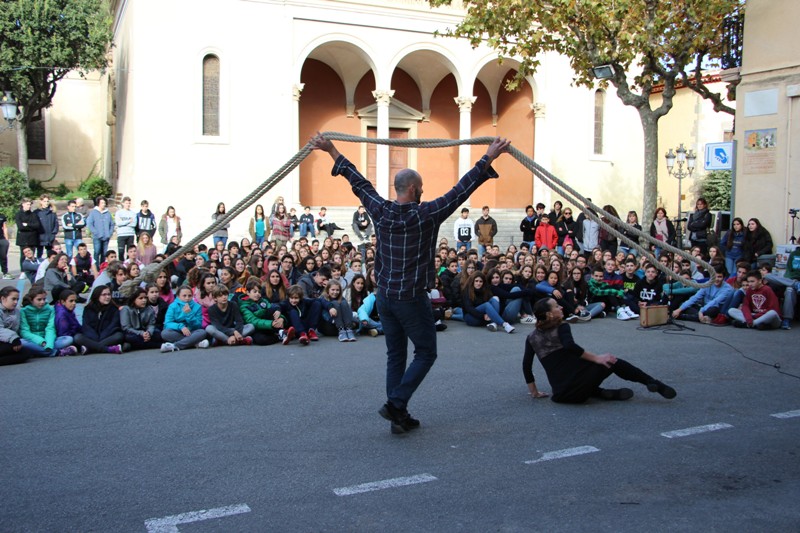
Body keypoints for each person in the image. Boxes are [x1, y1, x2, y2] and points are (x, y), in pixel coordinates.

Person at [311, 131, 511, 434]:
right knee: (427, 352)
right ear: (415, 189)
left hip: (386, 297)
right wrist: (489, 157)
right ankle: (396, 403)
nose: (424, 192)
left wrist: (330, 150)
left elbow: (358, 182)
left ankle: (399, 416)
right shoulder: (426, 214)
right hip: (410, 298)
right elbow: (460, 190)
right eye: (422, 188)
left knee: (396, 355)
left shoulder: (380, 209)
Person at [522, 297, 677, 403]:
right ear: (550, 314)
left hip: (562, 395)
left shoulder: (531, 337)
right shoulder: (561, 326)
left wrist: (534, 392)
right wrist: (597, 358)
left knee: (581, 375)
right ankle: (652, 382)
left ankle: (603, 393)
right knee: (612, 361)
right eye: (557, 306)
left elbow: (526, 367)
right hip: (578, 384)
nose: (561, 307)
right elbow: (570, 346)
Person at [75, 285, 124, 354]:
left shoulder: (114, 309)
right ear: (97, 296)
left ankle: (91, 348)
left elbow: (113, 325)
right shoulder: (88, 309)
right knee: (78, 337)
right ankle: (108, 349)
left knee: (119, 336)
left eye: (109, 294)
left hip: (107, 336)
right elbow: (86, 326)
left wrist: (101, 337)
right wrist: (95, 338)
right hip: (92, 337)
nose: (107, 297)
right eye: (104, 295)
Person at [160, 285, 210, 352]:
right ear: (178, 296)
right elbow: (167, 323)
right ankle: (195, 343)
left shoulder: (197, 306)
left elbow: (198, 325)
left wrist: (189, 314)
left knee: (202, 332)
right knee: (165, 333)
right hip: (178, 331)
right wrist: (181, 327)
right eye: (184, 296)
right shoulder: (172, 306)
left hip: (192, 331)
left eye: (189, 296)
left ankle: (175, 346)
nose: (187, 298)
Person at [120, 287, 164, 351]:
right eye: (140, 298)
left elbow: (151, 324)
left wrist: (149, 333)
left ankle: (135, 346)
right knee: (129, 337)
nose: (144, 300)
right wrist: (141, 333)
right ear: (134, 299)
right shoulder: (126, 309)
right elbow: (126, 328)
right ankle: (157, 345)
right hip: (134, 333)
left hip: (145, 332)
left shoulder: (149, 308)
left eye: (145, 298)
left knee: (159, 334)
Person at [0, 287, 31, 365]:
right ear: (3, 298)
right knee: (11, 348)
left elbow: (20, 328)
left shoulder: (16, 312)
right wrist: (14, 338)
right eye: (13, 299)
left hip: (9, 341)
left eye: (17, 299)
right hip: (7, 340)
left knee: (26, 353)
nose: (16, 302)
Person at [86, 196, 115, 266]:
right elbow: (90, 224)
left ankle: (102, 266)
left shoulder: (107, 213)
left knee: (104, 253)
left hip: (106, 237)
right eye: (102, 203)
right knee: (97, 252)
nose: (103, 204)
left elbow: (112, 224)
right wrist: (96, 233)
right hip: (97, 237)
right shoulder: (93, 213)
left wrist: (110, 233)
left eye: (104, 203)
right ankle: (96, 267)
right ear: (98, 203)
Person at [15, 198, 42, 271]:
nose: (29, 206)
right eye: (27, 204)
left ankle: (32, 269)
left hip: (32, 238)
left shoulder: (33, 215)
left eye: (30, 204)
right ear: (23, 204)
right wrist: (31, 227)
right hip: (23, 238)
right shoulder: (18, 215)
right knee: (23, 255)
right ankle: (23, 271)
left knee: (32, 255)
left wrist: (27, 225)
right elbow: (20, 227)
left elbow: (37, 225)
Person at [34, 194, 59, 260]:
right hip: (40, 237)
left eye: (47, 201)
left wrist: (53, 233)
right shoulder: (37, 212)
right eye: (44, 201)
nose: (46, 203)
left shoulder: (52, 212)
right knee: (39, 253)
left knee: (50, 253)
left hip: (49, 236)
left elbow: (56, 224)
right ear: (41, 202)